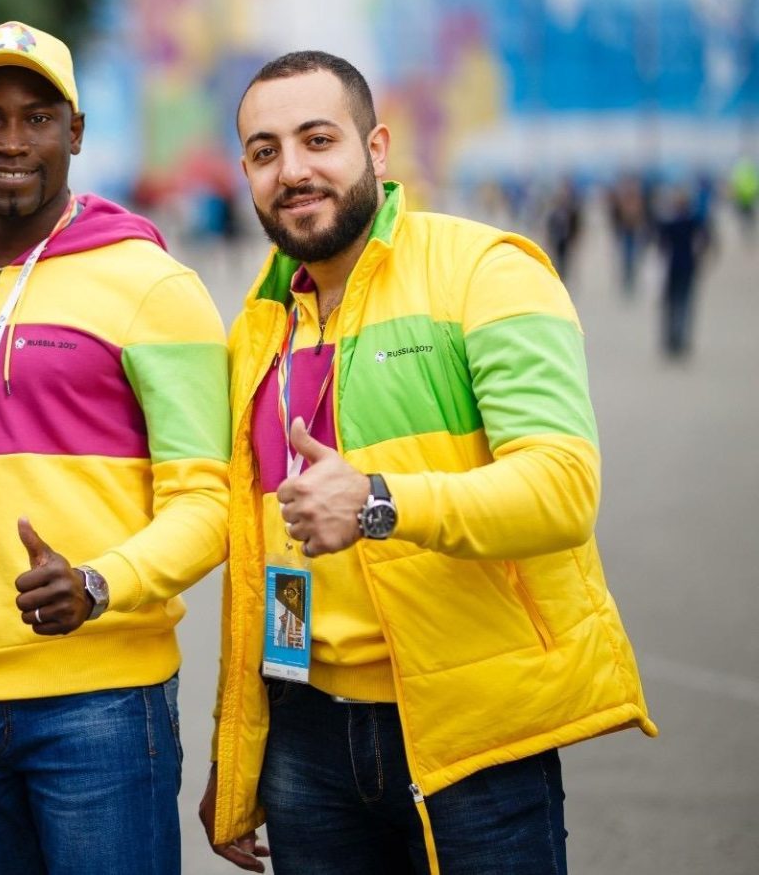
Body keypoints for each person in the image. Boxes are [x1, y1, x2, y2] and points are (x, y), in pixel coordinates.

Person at [201, 50, 657, 874]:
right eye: (266, 152)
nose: (292, 170)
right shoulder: (259, 328)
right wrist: (239, 763)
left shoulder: (487, 271)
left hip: (468, 731)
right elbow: (241, 539)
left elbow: (562, 488)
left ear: (376, 149)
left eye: (317, 140)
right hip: (303, 735)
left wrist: (377, 500)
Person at [0, 21, 230, 875]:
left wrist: (100, 583)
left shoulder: (155, 286)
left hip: (100, 700)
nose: (11, 141)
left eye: (37, 117)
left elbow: (210, 505)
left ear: (77, 133)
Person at [654, 184, 711, 359]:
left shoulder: (672, 222)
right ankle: (678, 340)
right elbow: (706, 239)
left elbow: (660, 242)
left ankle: (673, 340)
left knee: (674, 305)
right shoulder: (692, 221)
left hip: (674, 267)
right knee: (683, 305)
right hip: (686, 267)